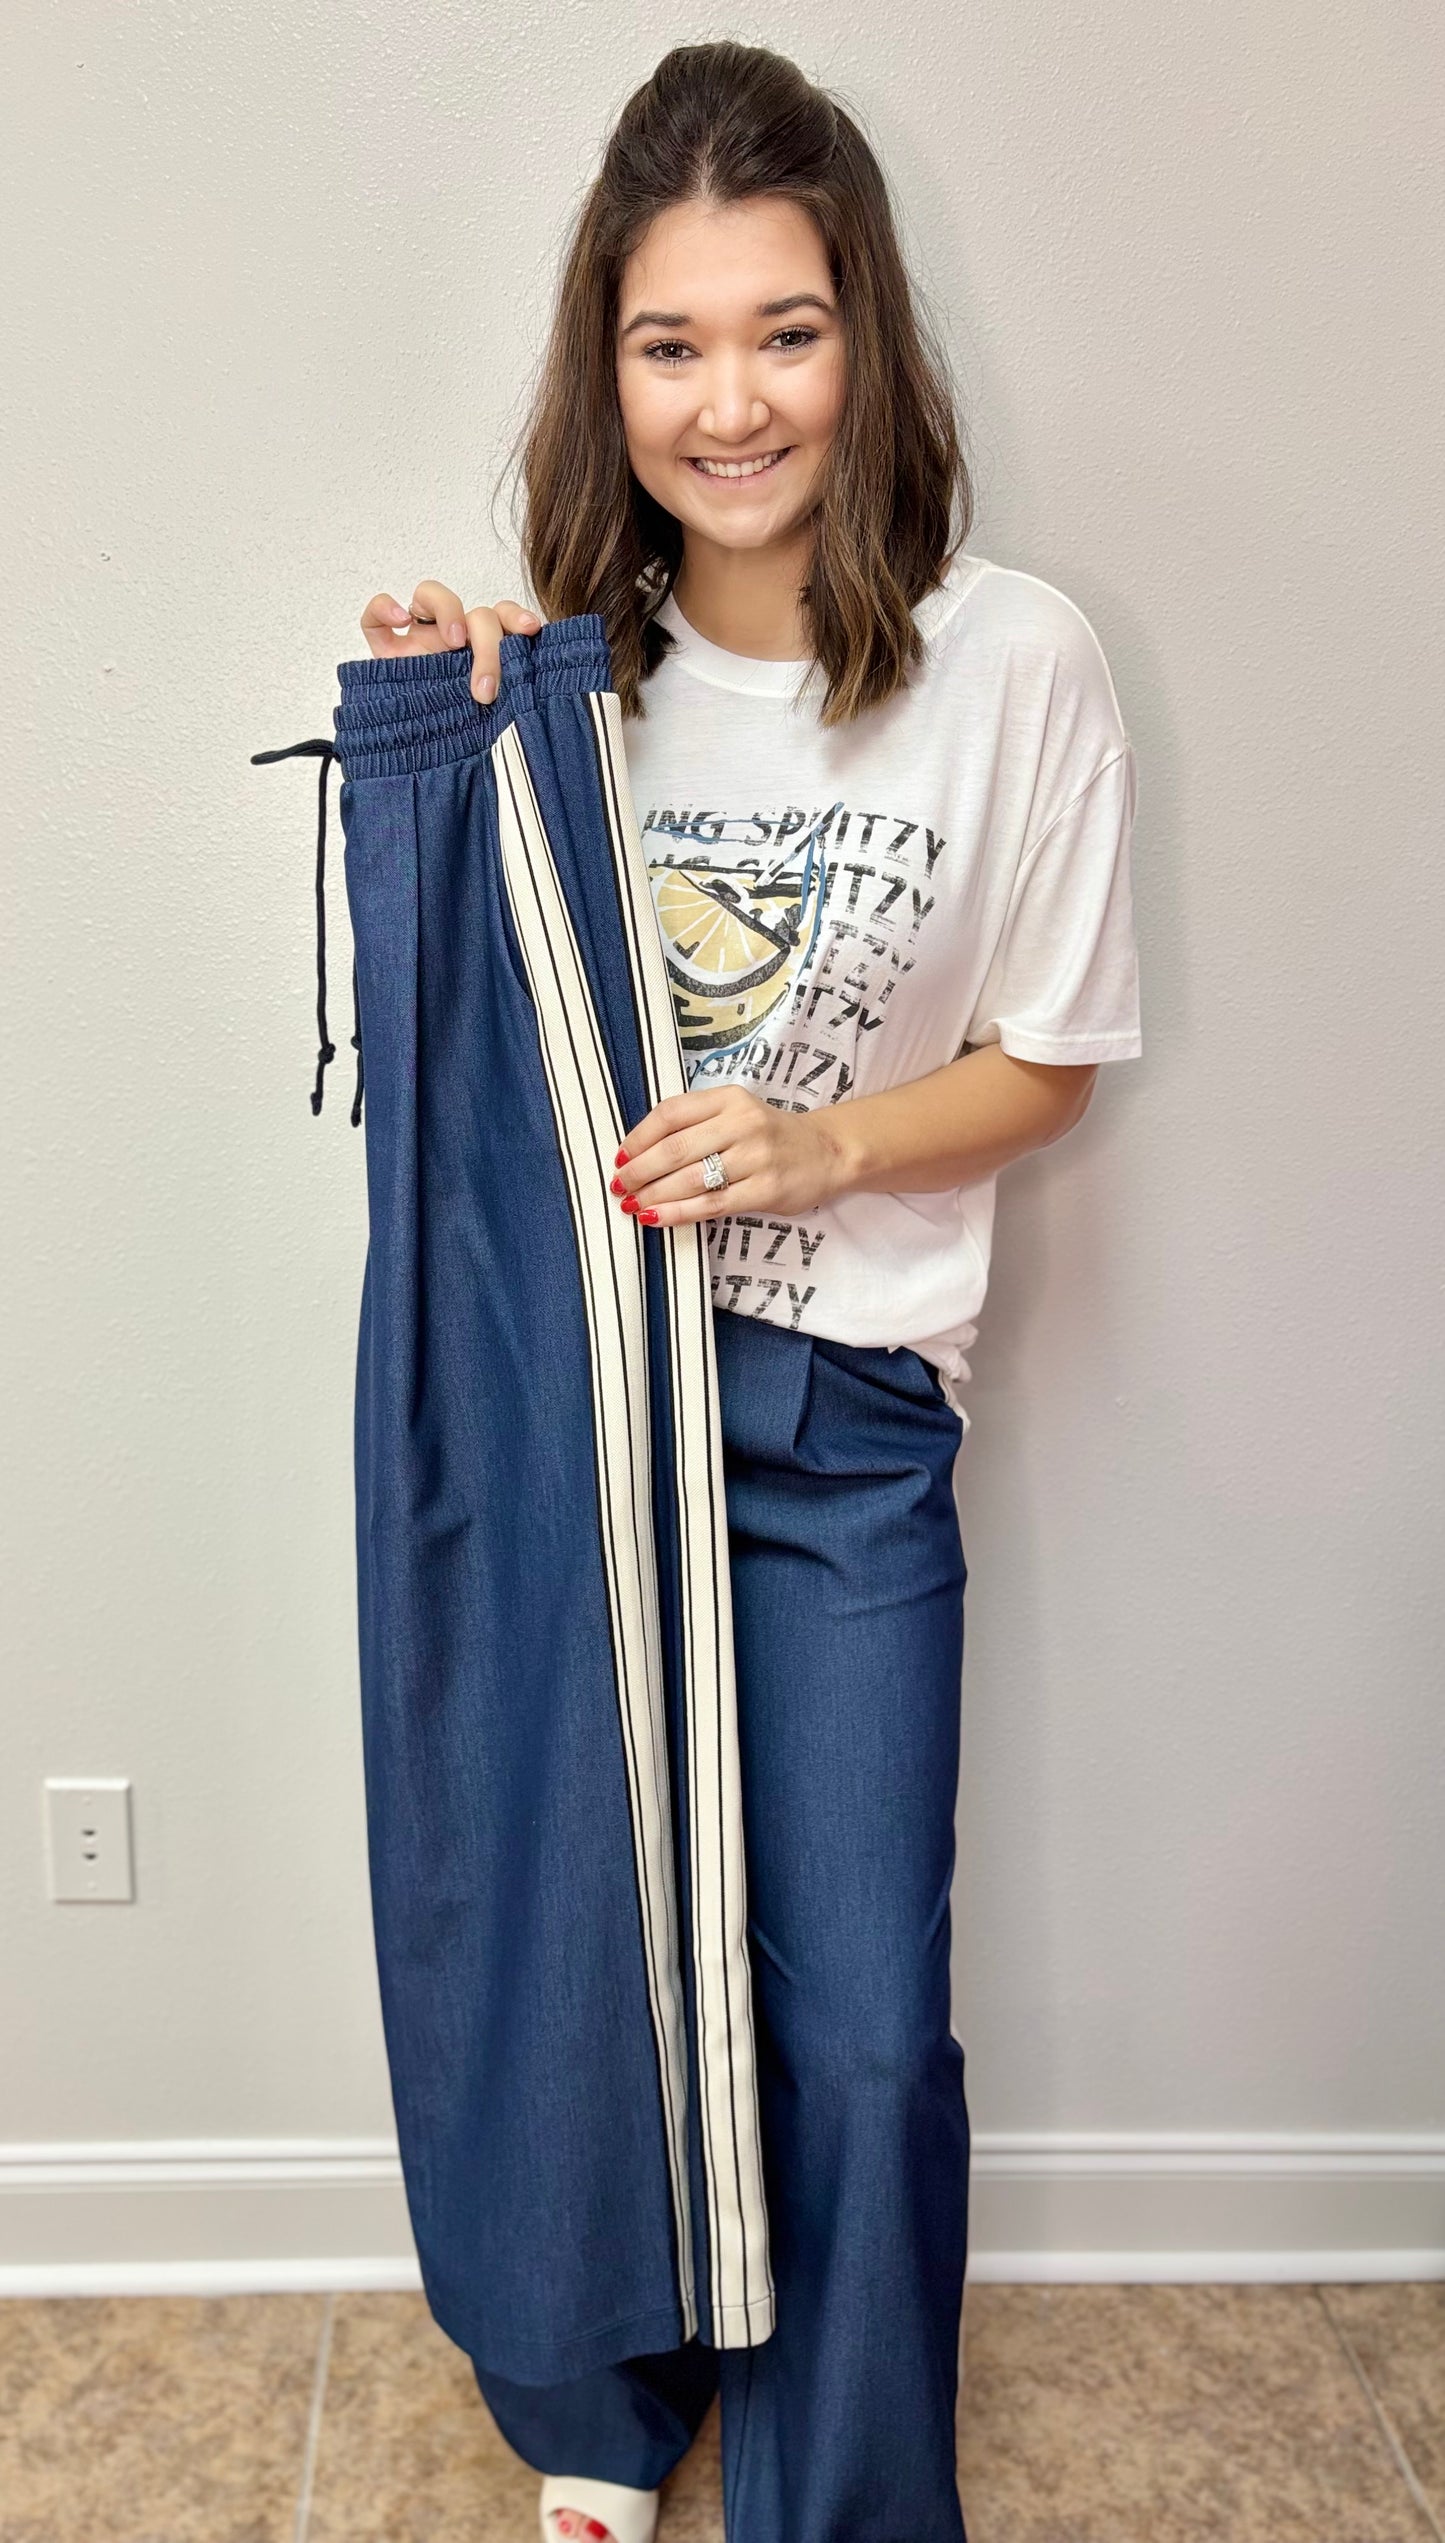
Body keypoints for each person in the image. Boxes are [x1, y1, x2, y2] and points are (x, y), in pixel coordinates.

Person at [353, 39, 1141, 2543]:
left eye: (785, 332)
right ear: (606, 368)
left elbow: (1051, 1061)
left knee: (863, 2029)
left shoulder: (1016, 662)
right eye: (671, 343)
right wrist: (444, 736)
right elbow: (464, 1072)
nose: (732, 403)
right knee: (587, 1951)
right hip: (576, 1409)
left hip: (843, 1416)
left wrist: (824, 1142)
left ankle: (847, 2505)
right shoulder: (559, 688)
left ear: (866, 335)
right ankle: (608, 2398)